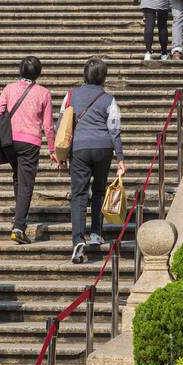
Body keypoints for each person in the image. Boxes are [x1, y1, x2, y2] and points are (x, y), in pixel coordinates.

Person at [57, 58, 125, 263]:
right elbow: (114, 129)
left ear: (84, 74)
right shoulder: (109, 99)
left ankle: (78, 239)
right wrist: (120, 157)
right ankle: (96, 232)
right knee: (99, 191)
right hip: (104, 148)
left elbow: (62, 122)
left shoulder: (70, 95)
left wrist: (60, 153)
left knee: (78, 195)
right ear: (104, 77)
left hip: (79, 148)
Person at [0, 56, 58, 243]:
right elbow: (48, 125)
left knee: (17, 177)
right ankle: (19, 227)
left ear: (20, 70)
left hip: (9, 140)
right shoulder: (44, 93)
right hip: (30, 143)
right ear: (38, 72)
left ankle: (18, 217)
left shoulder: (9, 88)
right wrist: (52, 149)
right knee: (26, 183)